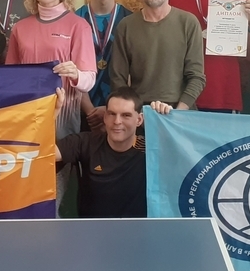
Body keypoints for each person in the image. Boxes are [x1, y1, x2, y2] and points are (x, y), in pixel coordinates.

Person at [4, 0, 96, 215]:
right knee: (25, 196)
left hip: (62, 126)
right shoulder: (20, 28)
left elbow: (89, 79)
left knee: (53, 197)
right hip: (25, 126)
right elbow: (10, 79)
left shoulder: (78, 26)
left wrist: (75, 74)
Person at [55, 88, 172, 218]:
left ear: (139, 120)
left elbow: (181, 154)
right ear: (105, 117)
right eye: (112, 114)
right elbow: (43, 154)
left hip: (138, 228)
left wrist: (165, 119)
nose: (117, 121)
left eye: (126, 115)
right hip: (92, 228)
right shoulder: (85, 142)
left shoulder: (151, 150)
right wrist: (53, 114)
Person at [111, 0, 206, 109]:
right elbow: (118, 79)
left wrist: (178, 112)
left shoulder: (188, 23)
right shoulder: (125, 27)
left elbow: (197, 77)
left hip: (180, 112)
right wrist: (135, 113)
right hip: (141, 112)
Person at [76, 0, 132, 131]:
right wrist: (90, 111)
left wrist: (111, 111)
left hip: (120, 114)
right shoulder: (74, 21)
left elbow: (135, 72)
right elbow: (71, 70)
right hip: (83, 112)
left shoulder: (131, 21)